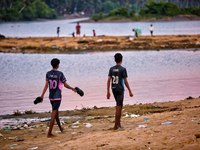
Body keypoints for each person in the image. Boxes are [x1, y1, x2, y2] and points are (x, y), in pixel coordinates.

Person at [41, 58, 76, 138]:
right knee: (54, 113)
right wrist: (72, 88)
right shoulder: (60, 74)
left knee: (56, 112)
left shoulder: (48, 73)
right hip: (57, 97)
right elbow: (65, 85)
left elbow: (46, 85)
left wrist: (42, 96)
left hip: (51, 97)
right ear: (57, 65)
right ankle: (49, 133)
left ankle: (61, 129)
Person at [107, 53, 133, 130]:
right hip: (120, 89)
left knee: (120, 105)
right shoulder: (123, 69)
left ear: (115, 60)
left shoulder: (111, 69)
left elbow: (108, 80)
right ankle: (115, 126)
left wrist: (108, 92)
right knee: (118, 107)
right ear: (121, 60)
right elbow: (125, 81)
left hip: (113, 88)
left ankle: (119, 124)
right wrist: (130, 91)